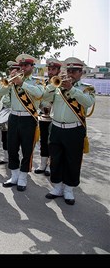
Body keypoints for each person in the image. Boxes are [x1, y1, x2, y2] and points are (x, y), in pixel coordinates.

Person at [43, 57, 95, 205]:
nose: (71, 74)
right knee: (56, 159)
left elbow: (88, 102)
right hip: (57, 128)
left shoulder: (87, 88)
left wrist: (71, 89)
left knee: (72, 160)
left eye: (74, 71)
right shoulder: (57, 86)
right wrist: (53, 86)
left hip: (74, 130)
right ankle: (57, 187)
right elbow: (44, 98)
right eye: (69, 71)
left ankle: (69, 189)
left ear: (81, 73)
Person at [2, 54, 44, 191]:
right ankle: (14, 176)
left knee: (27, 149)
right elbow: (0, 91)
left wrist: (22, 83)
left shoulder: (37, 81)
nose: (23, 68)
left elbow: (39, 94)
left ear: (32, 67)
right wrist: (10, 79)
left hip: (28, 118)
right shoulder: (13, 80)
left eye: (26, 66)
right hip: (13, 116)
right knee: (12, 148)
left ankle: (23, 177)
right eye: (21, 66)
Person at [34, 58, 62, 176]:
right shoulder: (44, 82)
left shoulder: (60, 83)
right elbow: (40, 97)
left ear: (59, 70)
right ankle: (42, 164)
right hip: (43, 116)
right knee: (43, 140)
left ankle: (51, 165)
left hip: (55, 117)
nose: (50, 72)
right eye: (49, 69)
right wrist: (41, 107)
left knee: (53, 142)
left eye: (53, 69)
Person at [0, 61, 20, 165]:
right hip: (5, 109)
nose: (12, 72)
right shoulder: (7, 81)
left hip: (15, 111)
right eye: (10, 70)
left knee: (15, 138)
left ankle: (15, 157)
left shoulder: (20, 82)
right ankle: (6, 157)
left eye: (14, 70)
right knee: (5, 136)